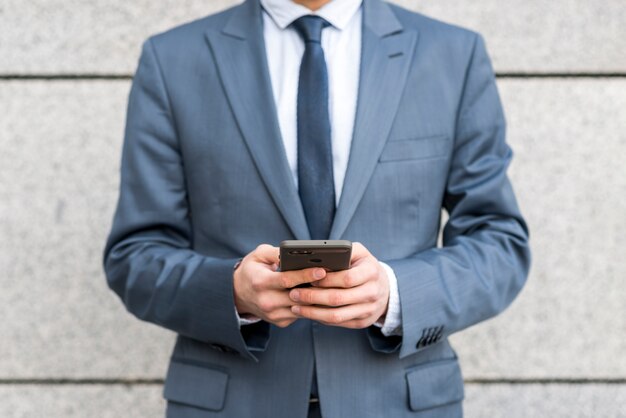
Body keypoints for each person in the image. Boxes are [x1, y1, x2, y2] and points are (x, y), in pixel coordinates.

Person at [103, 0, 531, 416]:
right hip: (233, 402)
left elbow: (499, 243)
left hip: (398, 402)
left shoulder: (451, 55)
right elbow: (136, 255)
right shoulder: (173, 58)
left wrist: (394, 293)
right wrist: (232, 293)